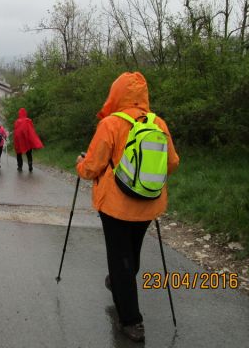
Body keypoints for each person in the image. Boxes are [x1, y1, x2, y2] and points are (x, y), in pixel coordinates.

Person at [75, 72, 179, 343]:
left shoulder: (111, 124)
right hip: (149, 203)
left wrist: (79, 164)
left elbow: (92, 167)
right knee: (130, 253)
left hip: (116, 206)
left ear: (117, 93)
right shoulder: (158, 123)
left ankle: (132, 321)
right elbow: (172, 163)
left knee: (120, 258)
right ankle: (120, 283)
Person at [13, 107, 43, 172]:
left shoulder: (17, 121)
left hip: (19, 140)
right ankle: (30, 165)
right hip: (27, 139)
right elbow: (31, 130)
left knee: (19, 153)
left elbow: (15, 132)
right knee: (29, 153)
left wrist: (15, 141)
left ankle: (20, 166)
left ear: (19, 114)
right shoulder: (28, 120)